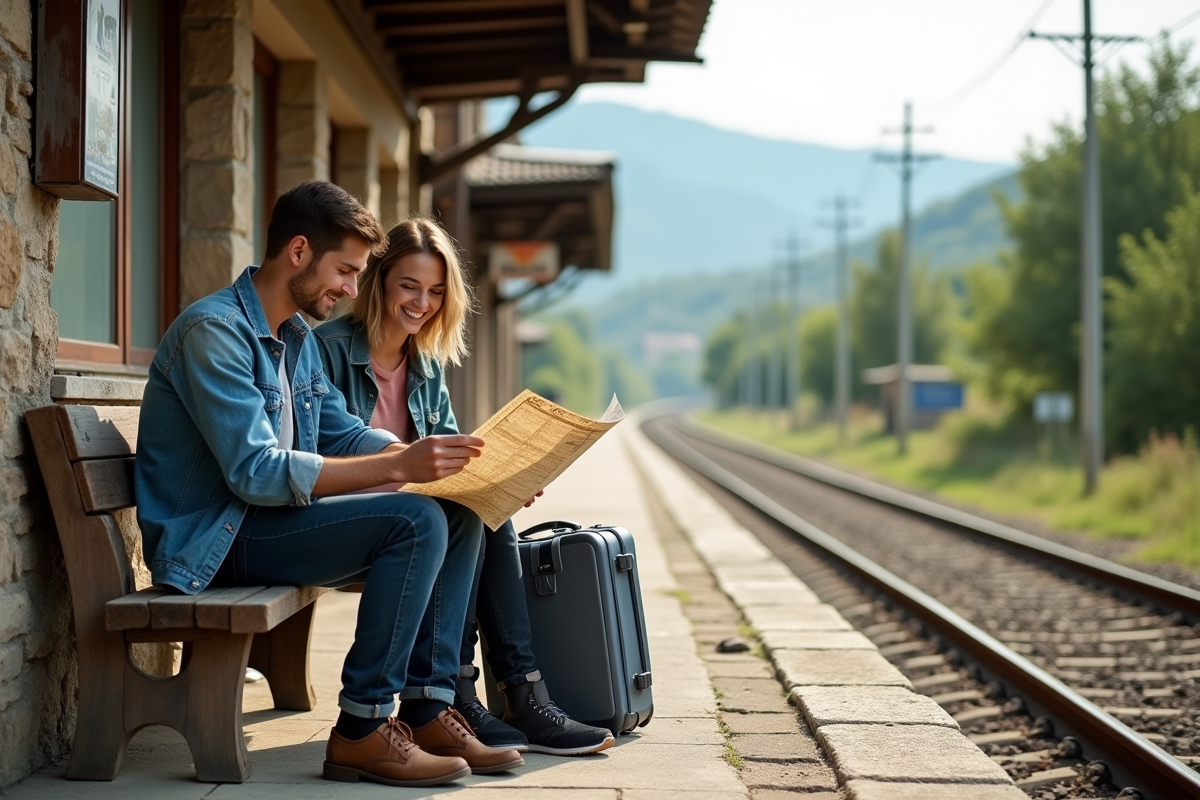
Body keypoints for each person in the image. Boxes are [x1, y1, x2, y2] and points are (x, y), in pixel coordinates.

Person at [134, 181, 524, 787]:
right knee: (415, 520)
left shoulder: (294, 340)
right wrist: (399, 467)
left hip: (267, 526)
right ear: (298, 252)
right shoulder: (214, 332)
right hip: (216, 541)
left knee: (453, 510)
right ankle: (362, 728)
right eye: (345, 270)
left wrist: (445, 466)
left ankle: (426, 708)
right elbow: (256, 472)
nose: (351, 289)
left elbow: (341, 433)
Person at [314, 217, 615, 756]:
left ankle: (520, 694)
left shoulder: (427, 365)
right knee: (455, 515)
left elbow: (452, 451)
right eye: (409, 286)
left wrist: (504, 479)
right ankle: (456, 694)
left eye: (435, 291)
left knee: (485, 510)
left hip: (414, 512)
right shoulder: (325, 350)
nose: (422, 303)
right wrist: (410, 467)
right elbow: (324, 449)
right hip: (350, 513)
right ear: (378, 281)